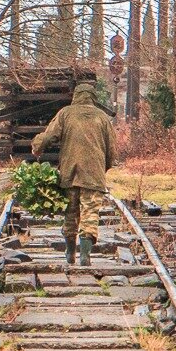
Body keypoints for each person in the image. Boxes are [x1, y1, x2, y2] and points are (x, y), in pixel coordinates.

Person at [31, 80, 116, 266]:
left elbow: (49, 136)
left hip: (69, 173)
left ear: (75, 96)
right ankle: (85, 256)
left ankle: (70, 253)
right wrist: (104, 168)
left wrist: (37, 148)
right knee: (90, 213)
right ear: (93, 97)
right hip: (93, 174)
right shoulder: (102, 118)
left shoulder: (65, 114)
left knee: (70, 213)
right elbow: (112, 150)